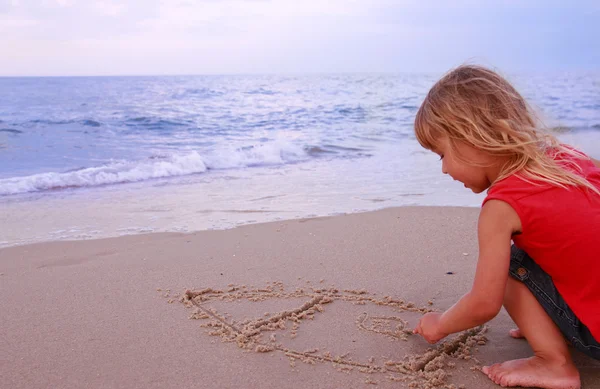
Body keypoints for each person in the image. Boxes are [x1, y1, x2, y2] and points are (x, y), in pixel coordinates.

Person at [411, 64, 600, 389]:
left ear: (471, 138)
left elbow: (485, 303)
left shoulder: (502, 206)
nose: (443, 169)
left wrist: (440, 324)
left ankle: (553, 363)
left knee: (514, 264)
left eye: (442, 154)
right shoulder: (567, 159)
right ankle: (547, 323)